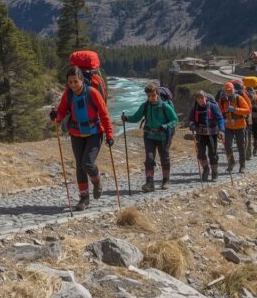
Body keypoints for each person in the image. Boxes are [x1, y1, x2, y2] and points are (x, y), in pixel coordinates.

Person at [51, 66, 115, 209]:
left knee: (87, 163)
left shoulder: (93, 93)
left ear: (81, 80)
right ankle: (84, 199)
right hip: (76, 134)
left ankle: (96, 180)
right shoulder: (68, 94)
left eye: (75, 81)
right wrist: (56, 116)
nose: (73, 85)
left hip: (95, 133)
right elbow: (61, 112)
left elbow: (104, 115)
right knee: (80, 166)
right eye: (70, 82)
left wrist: (109, 134)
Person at [124, 83, 178, 191]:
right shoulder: (145, 106)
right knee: (149, 158)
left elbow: (175, 120)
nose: (151, 98)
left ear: (157, 94)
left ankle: (165, 180)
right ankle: (149, 183)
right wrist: (126, 118)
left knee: (164, 158)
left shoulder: (165, 106)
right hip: (149, 135)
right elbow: (136, 117)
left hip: (163, 136)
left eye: (153, 95)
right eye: (149, 96)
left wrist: (165, 126)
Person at [186, 90, 224, 181]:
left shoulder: (212, 106)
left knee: (213, 154)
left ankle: (214, 172)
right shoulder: (195, 108)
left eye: (202, 98)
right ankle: (206, 169)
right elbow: (190, 120)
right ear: (196, 99)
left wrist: (221, 130)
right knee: (200, 154)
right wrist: (192, 125)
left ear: (205, 98)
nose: (200, 100)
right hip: (200, 134)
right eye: (198, 98)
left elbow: (220, 119)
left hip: (212, 134)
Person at [219, 81, 251, 173]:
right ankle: (231, 162)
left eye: (230, 90)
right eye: (227, 91)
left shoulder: (239, 98)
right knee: (227, 145)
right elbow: (219, 111)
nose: (229, 92)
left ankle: (242, 165)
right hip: (228, 126)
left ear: (233, 90)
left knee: (241, 146)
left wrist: (235, 110)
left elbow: (247, 110)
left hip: (240, 125)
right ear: (224, 91)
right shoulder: (222, 100)